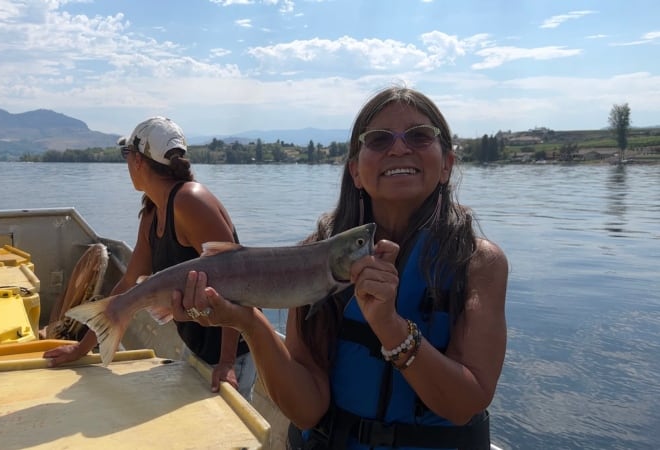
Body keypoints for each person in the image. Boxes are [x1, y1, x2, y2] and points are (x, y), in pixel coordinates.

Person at [172, 87, 508, 449]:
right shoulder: (314, 258)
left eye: (419, 136)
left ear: (447, 164)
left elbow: (464, 405)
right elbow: (307, 411)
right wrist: (248, 322)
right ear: (355, 172)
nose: (398, 148)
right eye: (378, 139)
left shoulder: (478, 263)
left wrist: (388, 326)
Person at [43, 116, 257, 400]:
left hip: (232, 354)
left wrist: (227, 362)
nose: (126, 164)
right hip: (197, 345)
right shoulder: (153, 212)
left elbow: (237, 279)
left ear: (139, 160)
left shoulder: (190, 201)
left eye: (126, 154)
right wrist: (81, 349)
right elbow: (129, 284)